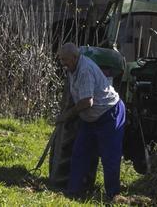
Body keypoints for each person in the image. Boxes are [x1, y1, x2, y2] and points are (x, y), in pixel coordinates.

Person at [56, 42, 125, 201]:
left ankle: (112, 196)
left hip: (109, 114)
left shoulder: (85, 69)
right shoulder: (73, 67)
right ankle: (73, 192)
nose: (63, 64)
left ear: (74, 57)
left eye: (65, 60)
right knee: (79, 153)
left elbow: (87, 101)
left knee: (110, 157)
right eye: (61, 60)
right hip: (90, 118)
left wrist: (67, 116)